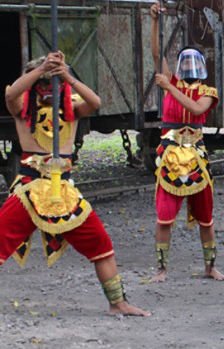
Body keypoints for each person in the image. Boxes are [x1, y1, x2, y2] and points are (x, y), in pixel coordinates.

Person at [1, 53, 149, 317]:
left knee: (102, 245)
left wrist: (66, 75)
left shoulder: (72, 108)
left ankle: (118, 303)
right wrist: (42, 69)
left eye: (54, 83)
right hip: (29, 188)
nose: (49, 88)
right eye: (44, 83)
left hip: (65, 193)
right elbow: (11, 94)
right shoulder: (23, 106)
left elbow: (95, 102)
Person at [149, 4, 224, 283]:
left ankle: (210, 266)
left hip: (195, 156)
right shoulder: (172, 81)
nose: (188, 68)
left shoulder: (207, 91)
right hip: (169, 154)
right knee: (164, 216)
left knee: (206, 216)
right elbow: (156, 53)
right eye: (185, 62)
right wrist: (155, 20)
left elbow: (195, 110)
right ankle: (162, 269)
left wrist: (169, 88)